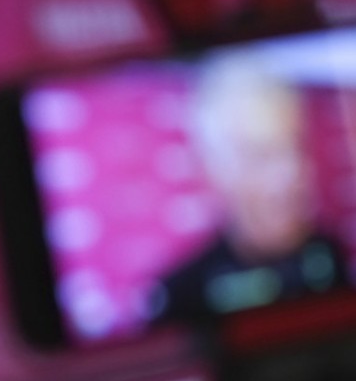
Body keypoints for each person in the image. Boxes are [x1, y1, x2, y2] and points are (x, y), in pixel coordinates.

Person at [148, 51, 349, 325]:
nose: (291, 174)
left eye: (296, 146)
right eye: (261, 155)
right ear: (211, 173)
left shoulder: (332, 255)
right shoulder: (181, 296)